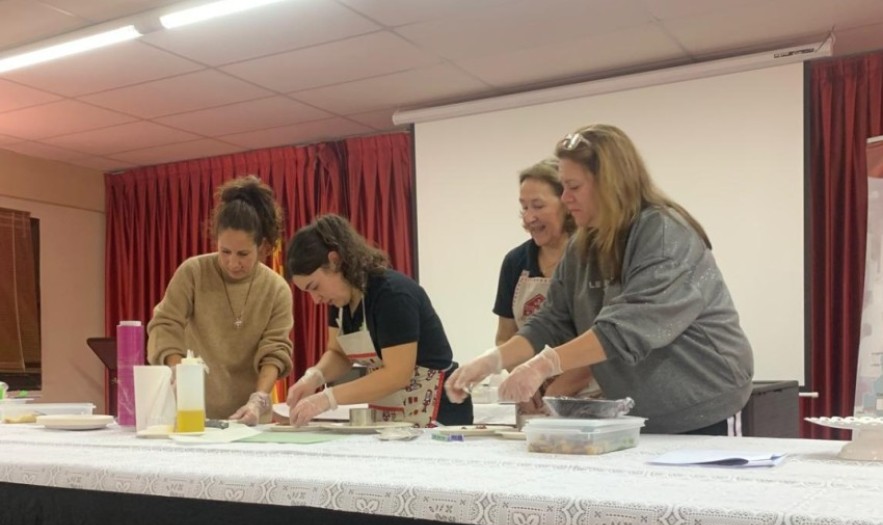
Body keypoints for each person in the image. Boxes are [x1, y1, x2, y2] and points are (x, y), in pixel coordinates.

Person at [447, 124, 753, 435]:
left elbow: (626, 330)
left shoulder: (662, 234)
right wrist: (491, 361)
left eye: (573, 186)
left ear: (609, 184)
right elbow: (551, 320)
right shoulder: (583, 245)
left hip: (703, 407)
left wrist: (542, 365)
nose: (565, 198)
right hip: (639, 412)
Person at [285, 214, 472, 427]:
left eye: (315, 287)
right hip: (390, 413)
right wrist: (314, 377)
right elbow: (338, 354)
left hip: (437, 412)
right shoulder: (339, 304)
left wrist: (327, 399)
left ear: (335, 261)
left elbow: (397, 374)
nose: (315, 300)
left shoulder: (392, 295)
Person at [147, 175, 293, 425]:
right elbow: (164, 325)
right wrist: (178, 370)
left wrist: (258, 399)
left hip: (250, 419)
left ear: (265, 248)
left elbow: (275, 351)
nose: (232, 263)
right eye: (225, 251)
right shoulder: (193, 272)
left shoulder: (276, 289)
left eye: (243, 254)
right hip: (194, 413)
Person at [493, 158, 596, 419]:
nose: (528, 217)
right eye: (523, 207)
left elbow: (605, 342)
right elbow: (505, 337)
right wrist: (529, 383)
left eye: (538, 206)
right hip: (534, 400)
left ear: (567, 203)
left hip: (594, 399)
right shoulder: (516, 262)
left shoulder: (594, 257)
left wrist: (556, 391)